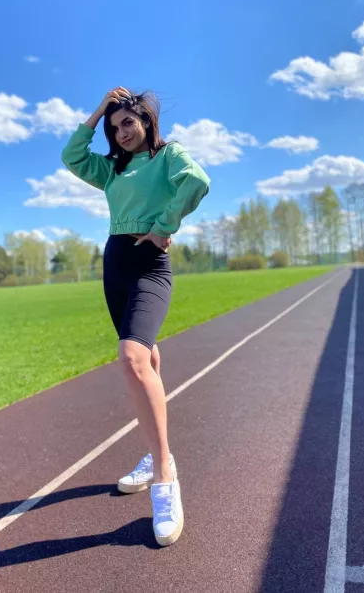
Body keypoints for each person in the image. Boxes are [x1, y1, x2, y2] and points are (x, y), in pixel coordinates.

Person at [62, 87, 210, 546]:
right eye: (115, 127)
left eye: (128, 122)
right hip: (116, 264)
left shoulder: (167, 156)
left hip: (149, 263)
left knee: (131, 357)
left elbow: (196, 181)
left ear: (146, 120)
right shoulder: (112, 169)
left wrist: (164, 226)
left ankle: (165, 473)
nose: (121, 132)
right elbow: (71, 156)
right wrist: (98, 111)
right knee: (148, 357)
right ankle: (155, 452)